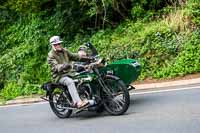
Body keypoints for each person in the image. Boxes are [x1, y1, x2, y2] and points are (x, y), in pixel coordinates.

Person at [47, 36, 93, 108]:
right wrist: (63, 66)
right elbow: (55, 66)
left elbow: (75, 56)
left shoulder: (65, 51)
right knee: (70, 82)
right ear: (53, 45)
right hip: (59, 76)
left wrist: (88, 58)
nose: (58, 45)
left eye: (59, 43)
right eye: (56, 44)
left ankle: (85, 97)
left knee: (83, 78)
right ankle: (78, 102)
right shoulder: (51, 55)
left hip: (69, 73)